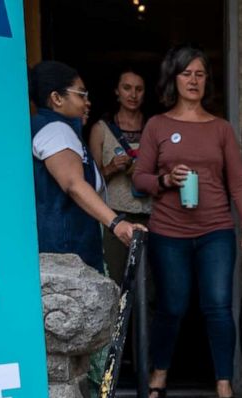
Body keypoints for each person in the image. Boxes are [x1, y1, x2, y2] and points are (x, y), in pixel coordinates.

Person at [131, 45, 242, 398]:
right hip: (168, 230)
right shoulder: (157, 125)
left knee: (218, 307)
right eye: (186, 73)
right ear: (174, 78)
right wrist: (165, 179)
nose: (193, 80)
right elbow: (139, 179)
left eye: (200, 74)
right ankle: (159, 375)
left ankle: (224, 383)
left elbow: (238, 181)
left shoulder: (220, 128)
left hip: (216, 229)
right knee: (171, 305)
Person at [29, 60, 141, 271]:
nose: (86, 102)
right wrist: (116, 224)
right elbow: (74, 184)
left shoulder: (49, 127)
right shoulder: (56, 131)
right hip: (67, 250)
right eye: (80, 95)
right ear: (56, 98)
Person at [92, 68, 152, 282]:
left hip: (151, 216)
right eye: (127, 88)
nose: (133, 95)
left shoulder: (154, 127)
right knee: (116, 282)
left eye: (139, 89)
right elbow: (91, 181)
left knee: (151, 286)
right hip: (115, 217)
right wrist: (111, 167)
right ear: (116, 92)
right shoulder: (101, 129)